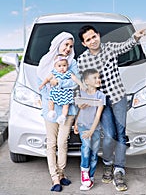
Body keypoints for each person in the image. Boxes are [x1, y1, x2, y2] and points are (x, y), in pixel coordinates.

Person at [77, 25, 146, 191]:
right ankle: (107, 163)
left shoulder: (110, 48)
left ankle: (119, 171)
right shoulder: (82, 60)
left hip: (118, 97)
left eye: (94, 36)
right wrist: (82, 101)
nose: (93, 41)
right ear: (84, 43)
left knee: (121, 134)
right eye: (88, 39)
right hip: (100, 102)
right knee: (109, 135)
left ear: (98, 35)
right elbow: (82, 83)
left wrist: (136, 37)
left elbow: (126, 45)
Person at [37, 32, 80, 192]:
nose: (68, 48)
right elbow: (40, 86)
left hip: (68, 110)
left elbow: (75, 83)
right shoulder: (45, 61)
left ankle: (61, 173)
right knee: (51, 143)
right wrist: (49, 83)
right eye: (65, 45)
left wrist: (57, 82)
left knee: (63, 143)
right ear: (57, 44)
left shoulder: (73, 63)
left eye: (70, 46)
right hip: (51, 110)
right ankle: (55, 177)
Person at [74, 68, 106, 191]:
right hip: (83, 125)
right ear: (87, 81)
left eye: (99, 78)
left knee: (94, 153)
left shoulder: (101, 96)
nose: (99, 80)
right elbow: (80, 109)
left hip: (95, 128)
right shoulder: (82, 93)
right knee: (86, 148)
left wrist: (92, 130)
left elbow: (98, 115)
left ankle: (90, 178)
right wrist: (76, 122)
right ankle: (84, 173)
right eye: (95, 78)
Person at [39, 54, 86, 125]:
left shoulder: (69, 73)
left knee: (66, 105)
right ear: (55, 66)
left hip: (65, 93)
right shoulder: (54, 72)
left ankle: (63, 116)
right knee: (50, 100)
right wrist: (42, 84)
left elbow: (75, 79)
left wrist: (81, 84)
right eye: (59, 66)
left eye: (64, 66)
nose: (62, 68)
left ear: (67, 65)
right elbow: (47, 79)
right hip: (56, 92)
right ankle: (51, 111)